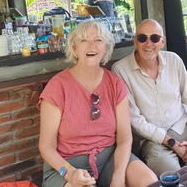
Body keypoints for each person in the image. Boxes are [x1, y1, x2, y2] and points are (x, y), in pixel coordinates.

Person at [38, 20, 157, 187]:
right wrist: (70, 173)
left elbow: (124, 137)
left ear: (106, 48)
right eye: (84, 40)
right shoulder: (57, 87)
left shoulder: (115, 84)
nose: (92, 45)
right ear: (74, 48)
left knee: (150, 182)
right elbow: (46, 146)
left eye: (99, 40)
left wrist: (118, 176)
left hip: (109, 158)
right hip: (66, 165)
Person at [112, 19, 187, 176]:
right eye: (142, 38)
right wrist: (174, 145)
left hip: (181, 127)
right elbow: (134, 120)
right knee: (174, 175)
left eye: (154, 38)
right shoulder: (120, 70)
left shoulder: (174, 60)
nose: (148, 43)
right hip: (151, 140)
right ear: (135, 42)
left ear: (162, 42)